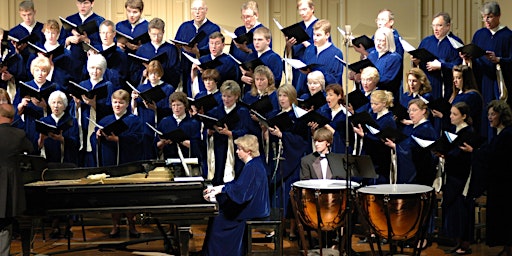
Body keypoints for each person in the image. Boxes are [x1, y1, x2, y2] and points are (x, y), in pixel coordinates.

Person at [202, 134, 270, 256]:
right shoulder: (253, 164)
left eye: (239, 149)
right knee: (220, 210)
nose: (237, 151)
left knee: (220, 218)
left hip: (254, 208)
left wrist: (222, 189)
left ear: (248, 152)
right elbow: (239, 185)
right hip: (254, 204)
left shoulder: (252, 167)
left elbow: (241, 192)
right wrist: (221, 187)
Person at [464, 100, 512, 256]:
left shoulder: (507, 134)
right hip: (499, 184)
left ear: (502, 115)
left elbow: (497, 158)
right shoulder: (501, 134)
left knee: (506, 216)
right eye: (488, 114)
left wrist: (474, 151)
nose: (490, 117)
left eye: (493, 114)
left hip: (505, 186)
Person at [94, 89, 143, 238]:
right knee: (113, 195)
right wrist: (97, 136)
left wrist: (120, 140)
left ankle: (132, 225)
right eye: (115, 102)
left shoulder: (134, 120)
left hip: (127, 162)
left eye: (121, 103)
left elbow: (138, 139)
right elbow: (94, 138)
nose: (117, 105)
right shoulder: (105, 120)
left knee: (129, 196)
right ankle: (115, 226)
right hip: (110, 160)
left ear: (127, 104)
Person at [461, 1, 512, 141]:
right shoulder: (479, 34)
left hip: (498, 82)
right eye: (484, 17)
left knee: (497, 114)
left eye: (489, 17)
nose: (486, 20)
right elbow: (474, 56)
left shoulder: (507, 35)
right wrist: (467, 57)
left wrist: (499, 60)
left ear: (498, 16)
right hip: (481, 80)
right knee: (482, 115)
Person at [267, 84, 309, 240]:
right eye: (280, 96)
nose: (282, 99)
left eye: (285, 96)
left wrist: (282, 135)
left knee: (290, 195)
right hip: (278, 159)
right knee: (277, 195)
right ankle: (276, 228)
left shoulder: (299, 117)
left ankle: (292, 230)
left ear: (292, 98)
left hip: (293, 160)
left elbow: (301, 141)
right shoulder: (275, 114)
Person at [439, 102, 480, 255]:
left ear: (464, 116)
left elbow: (463, 155)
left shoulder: (469, 132)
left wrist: (447, 154)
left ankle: (465, 244)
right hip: (452, 175)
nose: (451, 116)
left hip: (462, 177)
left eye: (454, 114)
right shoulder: (451, 131)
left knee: (463, 209)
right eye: (450, 113)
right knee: (454, 210)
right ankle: (457, 242)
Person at [0, 103, 33, 256]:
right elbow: (31, 150)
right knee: (5, 222)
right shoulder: (19, 135)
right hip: (8, 187)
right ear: (12, 118)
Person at [70, 54, 115, 167]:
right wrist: (77, 104)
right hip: (85, 120)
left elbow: (111, 109)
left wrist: (94, 105)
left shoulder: (107, 85)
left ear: (103, 70)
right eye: (92, 68)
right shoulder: (83, 84)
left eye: (98, 69)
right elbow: (73, 110)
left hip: (99, 122)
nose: (95, 71)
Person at [206, 80, 250, 186]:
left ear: (236, 96)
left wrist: (230, 133)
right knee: (218, 172)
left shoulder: (242, 111)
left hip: (236, 147)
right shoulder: (216, 111)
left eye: (229, 96)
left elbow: (246, 130)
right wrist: (210, 131)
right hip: (219, 145)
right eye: (224, 96)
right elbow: (207, 124)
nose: (226, 99)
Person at [413, 12, 463, 101]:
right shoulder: (426, 41)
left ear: (448, 26)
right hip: (427, 86)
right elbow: (418, 65)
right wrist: (416, 62)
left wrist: (441, 66)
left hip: (446, 86)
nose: (435, 29)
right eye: (433, 26)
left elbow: (459, 67)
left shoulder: (455, 43)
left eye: (439, 25)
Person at [131, 60, 175, 160]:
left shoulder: (168, 88)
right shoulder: (142, 88)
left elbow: (171, 109)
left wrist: (156, 109)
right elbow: (135, 108)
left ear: (161, 74)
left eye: (156, 73)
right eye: (151, 73)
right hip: (145, 122)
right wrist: (133, 99)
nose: (153, 76)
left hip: (161, 121)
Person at [175, 0, 220, 96]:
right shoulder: (184, 26)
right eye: (194, 9)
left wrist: (198, 52)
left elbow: (214, 49)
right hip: (186, 68)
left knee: (203, 97)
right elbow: (177, 44)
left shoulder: (213, 28)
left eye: (200, 9)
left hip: (204, 70)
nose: (197, 12)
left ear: (206, 10)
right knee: (188, 97)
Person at [353, 90, 396, 185]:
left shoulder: (389, 120)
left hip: (380, 158)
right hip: (369, 154)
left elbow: (384, 140)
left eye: (376, 104)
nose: (372, 106)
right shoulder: (372, 115)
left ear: (384, 104)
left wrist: (365, 135)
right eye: (371, 103)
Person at [13, 55, 54, 155]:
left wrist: (45, 107)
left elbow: (60, 110)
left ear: (47, 73)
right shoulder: (25, 86)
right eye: (37, 70)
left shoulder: (53, 87)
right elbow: (14, 110)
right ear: (32, 71)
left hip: (47, 125)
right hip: (30, 124)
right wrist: (21, 105)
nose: (40, 74)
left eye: (43, 71)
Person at [58, 0, 105, 81]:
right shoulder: (70, 19)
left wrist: (88, 41)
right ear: (76, 3)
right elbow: (59, 43)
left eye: (85, 3)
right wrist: (68, 40)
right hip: (72, 65)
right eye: (80, 3)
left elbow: (104, 45)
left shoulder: (99, 21)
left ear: (92, 3)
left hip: (91, 67)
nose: (82, 6)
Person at [295, 19, 343, 96]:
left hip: (326, 97)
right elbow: (302, 78)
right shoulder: (309, 50)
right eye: (314, 34)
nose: (315, 38)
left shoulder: (336, 53)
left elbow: (335, 81)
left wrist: (316, 71)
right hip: (308, 95)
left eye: (318, 35)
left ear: (327, 35)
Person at [130, 17, 181, 88]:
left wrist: (158, 70)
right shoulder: (142, 49)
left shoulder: (171, 49)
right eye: (153, 35)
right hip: (146, 87)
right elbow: (134, 71)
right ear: (149, 32)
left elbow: (176, 72)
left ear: (163, 32)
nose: (156, 38)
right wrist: (144, 73)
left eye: (159, 34)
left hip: (165, 88)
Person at [156, 91, 202, 163]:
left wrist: (180, 141)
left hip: (187, 161)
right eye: (173, 105)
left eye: (179, 105)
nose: (176, 108)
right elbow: (157, 145)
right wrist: (163, 142)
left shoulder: (193, 123)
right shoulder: (165, 122)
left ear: (185, 106)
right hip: (168, 160)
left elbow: (196, 145)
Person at [189, 32, 239, 98]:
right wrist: (193, 71)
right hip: (202, 96)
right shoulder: (202, 60)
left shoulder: (230, 62)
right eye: (211, 43)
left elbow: (233, 82)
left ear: (223, 45)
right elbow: (195, 82)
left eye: (217, 43)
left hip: (222, 97)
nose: (213, 46)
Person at [284, 0, 320, 86]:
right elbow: (290, 52)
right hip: (298, 70)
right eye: (300, 10)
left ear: (312, 9)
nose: (302, 13)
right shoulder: (297, 27)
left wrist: (304, 42)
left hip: (312, 70)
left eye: (304, 9)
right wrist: (288, 45)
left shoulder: (320, 26)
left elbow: (324, 49)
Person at [8, 0, 45, 80]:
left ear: (34, 12)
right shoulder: (13, 32)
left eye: (29, 14)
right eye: (24, 15)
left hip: (40, 71)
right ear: (20, 14)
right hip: (21, 72)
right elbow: (10, 57)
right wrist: (17, 51)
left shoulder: (43, 28)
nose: (27, 18)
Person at [366, 27, 403, 101]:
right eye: (377, 40)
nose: (378, 43)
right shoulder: (372, 55)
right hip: (370, 96)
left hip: (386, 98)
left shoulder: (395, 58)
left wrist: (370, 81)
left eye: (382, 40)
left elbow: (387, 80)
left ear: (389, 41)